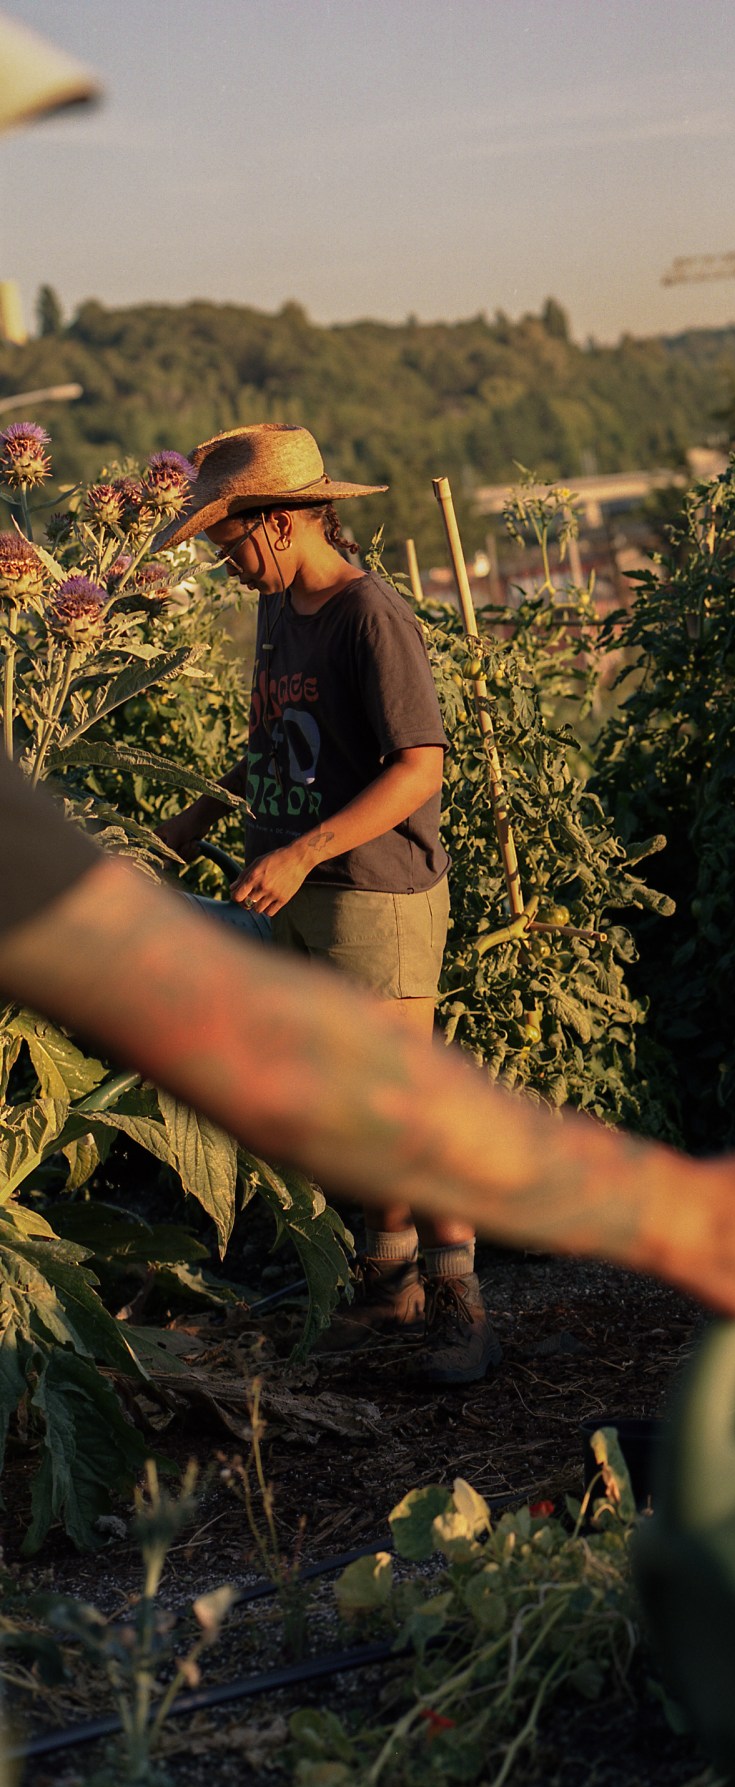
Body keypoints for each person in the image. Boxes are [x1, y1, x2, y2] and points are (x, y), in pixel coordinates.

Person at [0, 751, 735, 1350]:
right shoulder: (288, 620)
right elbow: (255, 1034)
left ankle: (438, 1286)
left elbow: (245, 1021)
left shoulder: (359, 617)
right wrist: (677, 1210)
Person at [154, 423, 491, 1380]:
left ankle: (462, 1297)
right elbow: (276, 739)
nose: (225, 567)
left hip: (370, 890)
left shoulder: (366, 614)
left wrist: (303, 851)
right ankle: (392, 1285)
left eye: (229, 545)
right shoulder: (281, 613)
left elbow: (420, 765)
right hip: (297, 886)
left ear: (284, 519)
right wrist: (193, 821)